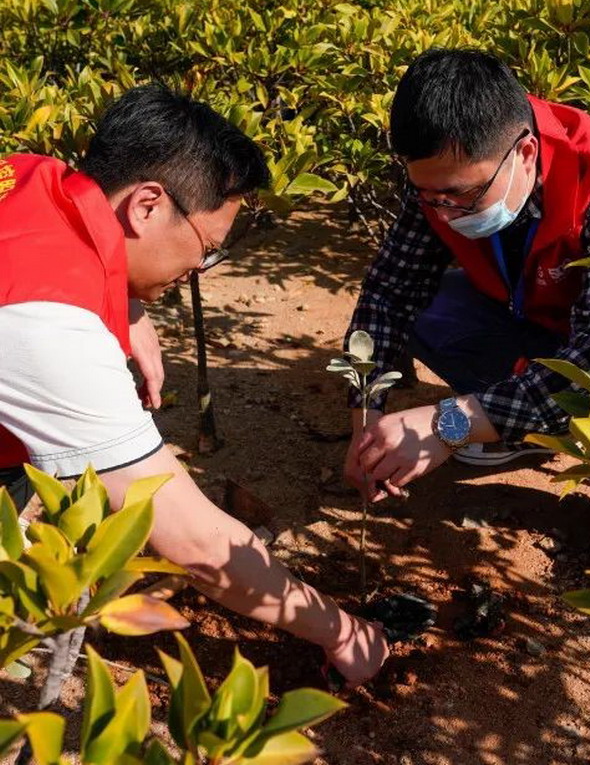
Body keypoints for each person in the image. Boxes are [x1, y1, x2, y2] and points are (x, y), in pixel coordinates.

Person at [0, 84, 388, 685]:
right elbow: (194, 541)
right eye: (206, 249)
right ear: (147, 205)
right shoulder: (47, 323)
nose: (196, 269)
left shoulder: (31, 175)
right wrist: (342, 631)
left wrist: (125, 304)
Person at [345, 48, 590, 501]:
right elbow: (390, 290)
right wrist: (365, 414)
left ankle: (520, 421)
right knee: (436, 309)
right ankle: (514, 422)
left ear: (525, 153)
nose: (443, 214)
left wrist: (448, 425)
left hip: (588, 347)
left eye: (462, 196)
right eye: (429, 197)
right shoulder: (442, 174)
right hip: (537, 319)